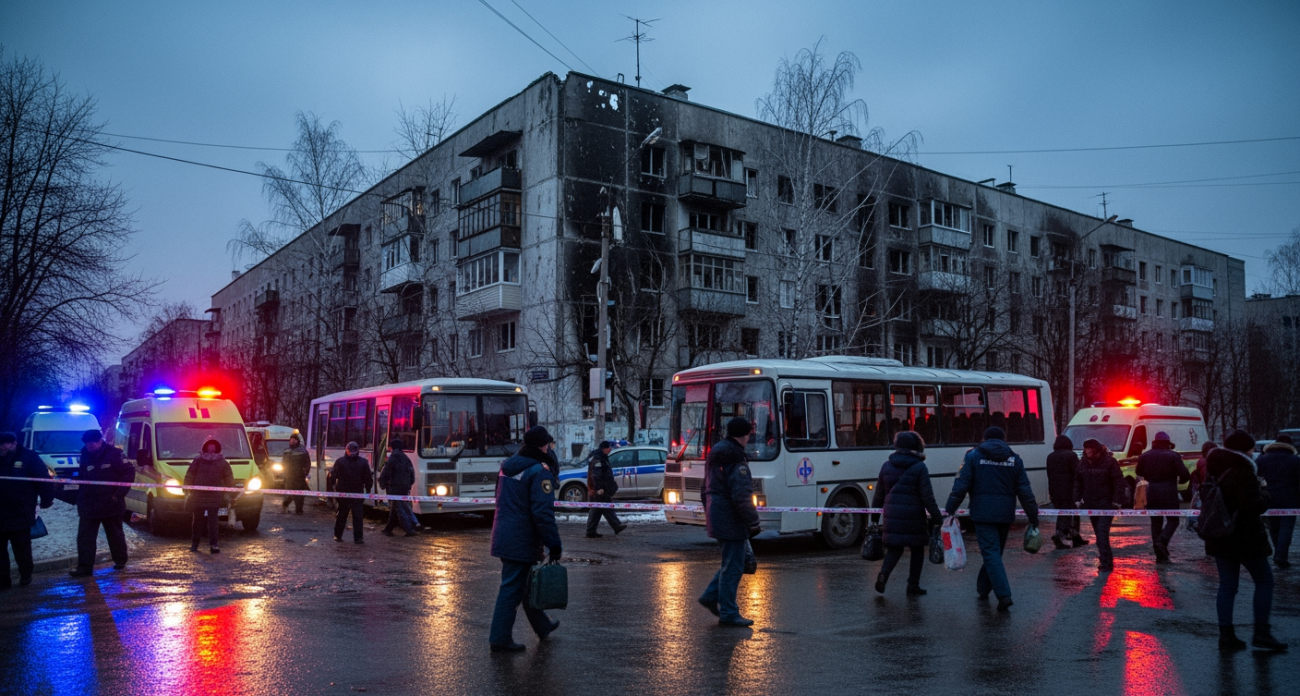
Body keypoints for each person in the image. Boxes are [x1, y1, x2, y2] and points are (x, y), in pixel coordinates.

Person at [1206, 430, 1287, 651]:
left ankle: (1226, 635)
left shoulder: (1215, 468)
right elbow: (1253, 505)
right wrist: (1265, 493)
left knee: (1227, 586)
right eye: (1251, 448)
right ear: (1245, 449)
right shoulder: (1243, 471)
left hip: (1221, 537)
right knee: (1265, 582)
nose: (1254, 452)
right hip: (1246, 537)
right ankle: (1262, 633)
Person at [944, 426, 1040, 612]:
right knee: (994, 553)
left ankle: (1004, 595)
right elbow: (1025, 491)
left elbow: (961, 485)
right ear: (1004, 439)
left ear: (984, 438)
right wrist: (1032, 516)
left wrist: (950, 509)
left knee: (991, 552)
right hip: (1005, 514)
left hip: (982, 513)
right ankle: (983, 588)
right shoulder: (1014, 459)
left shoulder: (973, 456)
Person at [489, 426, 562, 652]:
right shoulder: (539, 471)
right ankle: (499, 639)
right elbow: (542, 512)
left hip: (504, 533)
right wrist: (554, 543)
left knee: (525, 585)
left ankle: (542, 626)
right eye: (548, 444)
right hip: (522, 538)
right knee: (511, 588)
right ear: (543, 445)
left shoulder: (507, 466)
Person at [698, 417, 761, 627]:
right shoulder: (735, 457)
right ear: (744, 435)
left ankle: (710, 596)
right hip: (730, 518)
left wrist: (710, 511)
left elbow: (704, 488)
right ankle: (729, 612)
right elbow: (741, 495)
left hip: (717, 514)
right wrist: (753, 522)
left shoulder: (717, 452)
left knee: (731, 562)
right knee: (733, 566)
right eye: (749, 434)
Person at [871, 431, 943, 595]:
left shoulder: (886, 466)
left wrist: (874, 519)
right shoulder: (919, 467)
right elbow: (928, 497)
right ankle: (913, 585)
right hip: (914, 516)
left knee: (895, 549)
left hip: (891, 515)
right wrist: (938, 519)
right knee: (917, 550)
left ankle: (884, 574)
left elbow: (879, 495)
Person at [69, 429, 134, 577]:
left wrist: (118, 494)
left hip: (111, 503)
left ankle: (120, 560)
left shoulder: (115, 454)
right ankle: (84, 568)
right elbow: (82, 476)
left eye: (92, 444)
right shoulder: (84, 454)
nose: (89, 446)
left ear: (100, 441)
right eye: (87, 444)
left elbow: (129, 472)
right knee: (85, 538)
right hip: (89, 504)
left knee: (115, 534)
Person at [0, 432, 54, 588]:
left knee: (21, 547)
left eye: (3, 445)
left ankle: (25, 574)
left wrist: (46, 499)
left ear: (13, 444)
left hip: (21, 510)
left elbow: (42, 479)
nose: (1, 448)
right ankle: (3, 579)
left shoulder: (28, 457)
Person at [1135, 431, 1191, 563]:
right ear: (1168, 443)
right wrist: (1179, 482)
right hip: (1168, 491)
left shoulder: (1145, 456)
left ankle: (1160, 556)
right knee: (1173, 520)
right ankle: (1162, 541)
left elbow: (1138, 471)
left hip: (1151, 491)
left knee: (1156, 522)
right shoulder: (1173, 456)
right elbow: (1185, 475)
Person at [1075, 438, 1124, 571]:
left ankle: (1106, 563)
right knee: (1099, 534)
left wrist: (1116, 501)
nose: (1087, 452)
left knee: (1102, 534)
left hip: (1106, 505)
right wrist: (1077, 498)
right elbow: (1078, 482)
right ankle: (1106, 560)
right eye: (1086, 450)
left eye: (1090, 450)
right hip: (1091, 504)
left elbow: (1118, 482)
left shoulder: (1109, 462)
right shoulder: (1083, 463)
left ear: (1096, 451)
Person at [1255, 434, 1299, 569]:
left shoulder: (1262, 459)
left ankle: (1278, 553)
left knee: (1273, 528)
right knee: (1286, 528)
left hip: (1268, 498)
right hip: (1290, 500)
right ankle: (1281, 556)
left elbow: (1255, 476)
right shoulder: (1295, 460)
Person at [184, 438, 234, 554]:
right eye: (210, 447)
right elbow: (229, 478)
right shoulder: (221, 462)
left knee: (202, 521)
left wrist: (187, 489)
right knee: (208, 521)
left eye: (213, 447)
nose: (211, 449)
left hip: (203, 495)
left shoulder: (199, 460)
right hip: (208, 495)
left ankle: (197, 545)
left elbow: (189, 476)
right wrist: (231, 492)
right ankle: (211, 545)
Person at [1046, 434, 1087, 549]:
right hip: (1070, 490)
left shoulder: (1050, 456)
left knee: (1062, 513)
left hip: (1055, 490)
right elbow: (1078, 473)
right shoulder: (1071, 455)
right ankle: (1064, 535)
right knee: (1072, 513)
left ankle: (1068, 535)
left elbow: (1049, 475)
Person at [328, 442, 372, 544]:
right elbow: (368, 478)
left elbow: (333, 476)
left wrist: (331, 488)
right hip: (355, 493)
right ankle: (358, 538)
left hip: (344, 493)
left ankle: (338, 535)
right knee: (356, 516)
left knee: (343, 515)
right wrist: (368, 488)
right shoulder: (363, 462)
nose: (351, 453)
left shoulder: (340, 461)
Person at [585, 441, 626, 538]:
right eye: (609, 447)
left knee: (599, 509)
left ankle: (592, 531)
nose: (610, 449)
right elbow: (597, 476)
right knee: (602, 507)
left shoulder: (601, 458)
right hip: (600, 490)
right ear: (604, 449)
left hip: (602, 489)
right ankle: (616, 525)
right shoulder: (599, 460)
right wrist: (599, 489)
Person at [380, 438, 418, 537]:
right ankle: (388, 529)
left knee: (398, 508)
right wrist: (409, 483)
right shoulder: (406, 458)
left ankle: (409, 529)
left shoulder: (393, 458)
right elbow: (412, 472)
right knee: (395, 508)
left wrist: (382, 483)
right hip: (405, 487)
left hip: (394, 488)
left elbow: (386, 472)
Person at [280, 434, 311, 515]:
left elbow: (307, 463)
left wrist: (305, 472)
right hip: (288, 476)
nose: (292, 441)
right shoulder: (286, 451)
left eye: (294, 440)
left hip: (299, 476)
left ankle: (299, 510)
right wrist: (284, 472)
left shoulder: (303, 451)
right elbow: (283, 462)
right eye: (291, 440)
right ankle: (285, 505)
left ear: (297, 441)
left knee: (299, 494)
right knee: (289, 493)